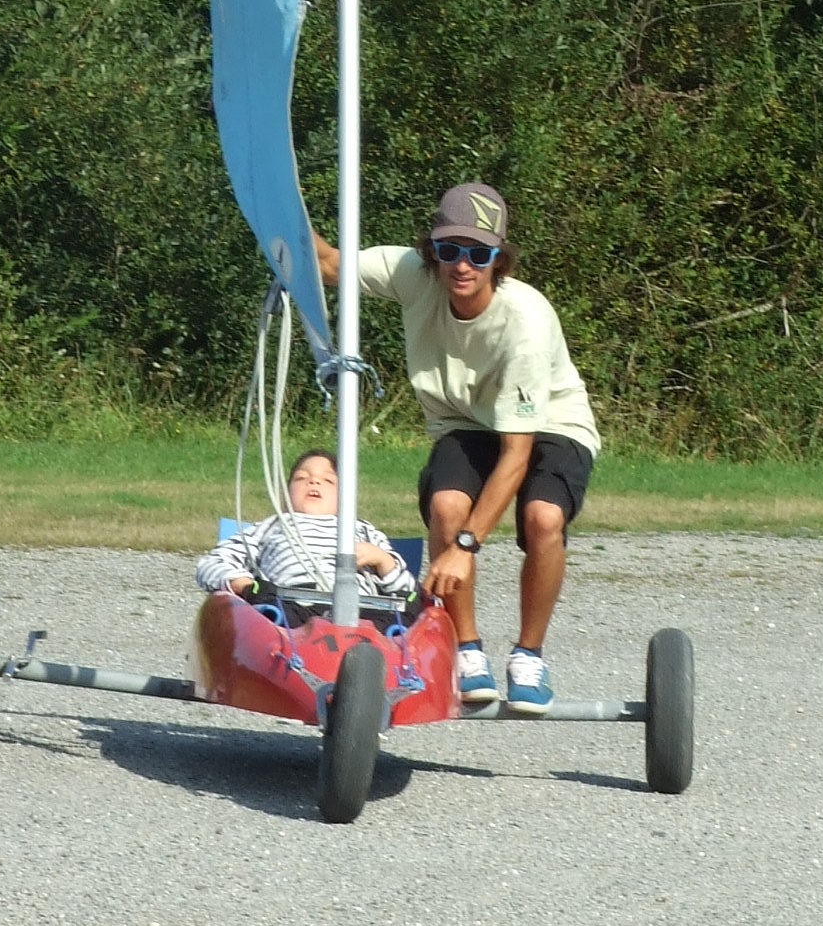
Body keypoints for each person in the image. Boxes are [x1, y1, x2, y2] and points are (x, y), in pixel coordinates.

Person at [313, 183, 599, 712]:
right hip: (464, 420)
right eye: (449, 250)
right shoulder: (410, 274)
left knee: (541, 517)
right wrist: (274, 201)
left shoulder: (526, 325)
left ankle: (528, 655)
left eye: (477, 253)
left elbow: (517, 454)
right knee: (447, 507)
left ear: (499, 260)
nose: (461, 266)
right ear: (431, 252)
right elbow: (328, 265)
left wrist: (465, 549)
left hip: (551, 421)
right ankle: (468, 651)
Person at [197, 446, 419, 614]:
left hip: (360, 611)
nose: (313, 482)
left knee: (411, 612)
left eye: (328, 480)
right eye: (302, 478)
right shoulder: (271, 527)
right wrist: (248, 587)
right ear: (285, 497)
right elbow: (211, 565)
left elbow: (407, 591)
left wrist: (382, 560)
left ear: (346, 497)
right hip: (286, 609)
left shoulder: (363, 530)